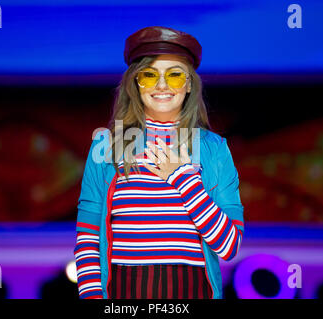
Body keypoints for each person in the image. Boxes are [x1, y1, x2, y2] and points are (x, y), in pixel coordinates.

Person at [74, 26, 244, 299]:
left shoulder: (214, 150)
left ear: (189, 84)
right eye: (150, 75)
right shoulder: (105, 146)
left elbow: (229, 246)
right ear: (135, 84)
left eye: (175, 76)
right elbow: (88, 239)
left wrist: (182, 178)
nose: (162, 85)